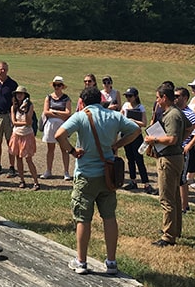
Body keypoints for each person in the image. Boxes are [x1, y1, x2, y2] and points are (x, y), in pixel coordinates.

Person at [55, 85, 141, 274]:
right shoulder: (114, 116)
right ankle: (111, 262)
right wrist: (117, 144)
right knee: (109, 217)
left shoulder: (80, 116)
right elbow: (135, 130)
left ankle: (82, 262)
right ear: (101, 100)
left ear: (82, 102)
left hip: (86, 174)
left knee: (83, 219)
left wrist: (72, 151)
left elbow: (59, 135)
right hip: (108, 175)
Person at [144, 85, 187, 246]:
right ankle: (175, 229)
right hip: (175, 157)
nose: (156, 100)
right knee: (175, 195)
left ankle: (168, 236)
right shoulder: (176, 112)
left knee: (166, 198)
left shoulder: (172, 115)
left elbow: (172, 139)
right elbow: (189, 127)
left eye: (157, 97)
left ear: (164, 98)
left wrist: (153, 140)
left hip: (168, 159)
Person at [175, 87, 195, 214]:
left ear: (185, 98)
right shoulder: (174, 111)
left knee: (182, 179)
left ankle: (184, 206)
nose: (175, 98)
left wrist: (189, 145)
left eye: (178, 96)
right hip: (173, 150)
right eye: (174, 96)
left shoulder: (188, 113)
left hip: (182, 150)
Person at [120, 87, 153, 194]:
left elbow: (144, 123)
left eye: (130, 96)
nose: (128, 98)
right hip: (126, 135)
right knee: (130, 158)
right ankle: (133, 181)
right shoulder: (125, 106)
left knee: (139, 159)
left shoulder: (140, 107)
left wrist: (133, 120)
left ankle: (146, 183)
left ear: (136, 96)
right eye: (126, 96)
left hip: (136, 135)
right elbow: (120, 117)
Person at [0, 61, 18, 177]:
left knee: (10, 141)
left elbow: (16, 100)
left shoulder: (12, 84)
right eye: (1, 69)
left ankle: (11, 166)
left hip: (9, 116)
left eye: (5, 69)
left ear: (8, 70)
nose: (3, 71)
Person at [40, 76, 72, 180]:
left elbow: (68, 113)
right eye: (55, 85)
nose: (56, 87)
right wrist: (59, 113)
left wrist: (54, 111)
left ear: (62, 86)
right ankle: (48, 170)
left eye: (59, 85)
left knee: (64, 149)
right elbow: (46, 112)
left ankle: (66, 172)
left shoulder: (66, 98)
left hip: (62, 126)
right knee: (50, 149)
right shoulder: (48, 97)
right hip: (50, 126)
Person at [10, 86, 40, 190]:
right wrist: (23, 123)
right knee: (18, 158)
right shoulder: (13, 106)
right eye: (17, 93)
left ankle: (36, 182)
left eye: (21, 93)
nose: (19, 95)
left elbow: (29, 121)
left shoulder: (29, 106)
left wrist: (25, 110)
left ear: (25, 95)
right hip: (17, 134)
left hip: (27, 134)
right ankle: (22, 180)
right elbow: (14, 122)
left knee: (28, 159)